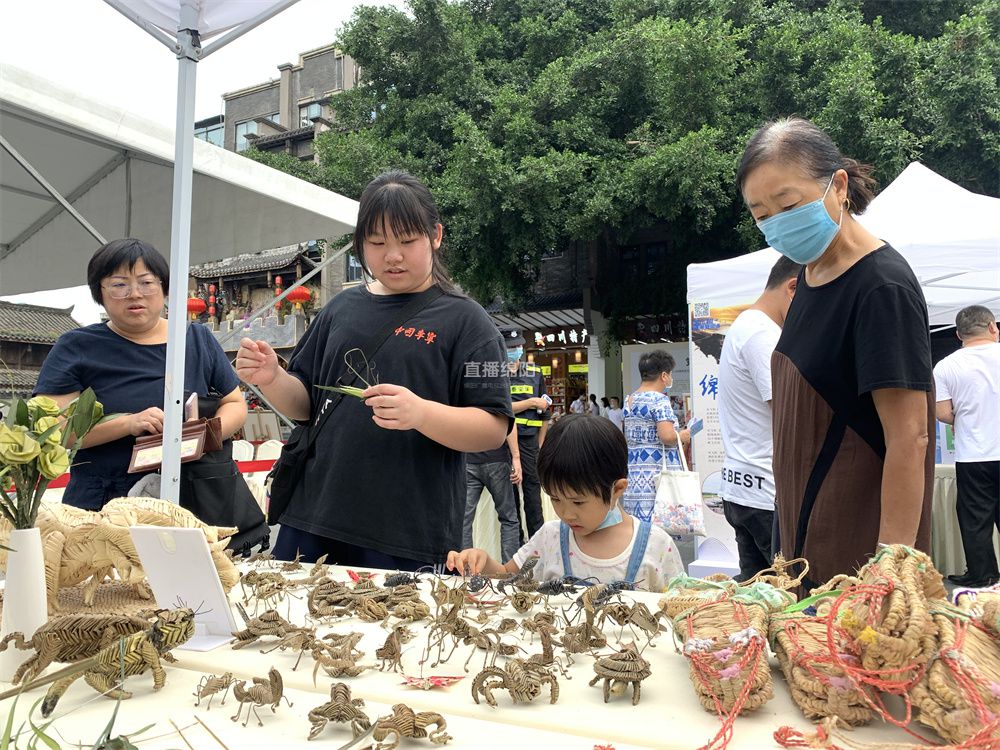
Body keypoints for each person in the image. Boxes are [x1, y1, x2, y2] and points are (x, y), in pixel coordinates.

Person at [236, 169, 513, 569]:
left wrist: (420, 413)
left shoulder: (468, 322)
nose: (393, 255)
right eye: (377, 242)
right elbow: (306, 406)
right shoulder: (340, 309)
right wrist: (273, 377)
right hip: (313, 516)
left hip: (408, 533)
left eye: (407, 240)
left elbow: (492, 428)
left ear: (435, 236)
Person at [738, 117, 935, 589]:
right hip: (803, 535)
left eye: (787, 204)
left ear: (839, 185)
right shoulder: (806, 278)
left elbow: (911, 439)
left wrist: (888, 570)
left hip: (857, 544)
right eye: (761, 215)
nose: (776, 224)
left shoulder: (880, 286)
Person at [34, 239, 248, 511]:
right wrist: (128, 423)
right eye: (119, 284)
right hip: (104, 501)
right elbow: (54, 428)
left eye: (147, 282)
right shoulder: (76, 347)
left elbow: (235, 403)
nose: (135, 294)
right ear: (99, 292)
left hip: (193, 494)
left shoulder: (195, 339)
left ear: (163, 288)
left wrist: (200, 438)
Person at [447, 414, 683, 588]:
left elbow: (678, 608)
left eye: (578, 502)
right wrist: (484, 562)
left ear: (617, 489)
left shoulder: (657, 546)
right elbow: (508, 577)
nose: (566, 514)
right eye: (555, 499)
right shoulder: (549, 538)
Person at [717, 256, 801, 581]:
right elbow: (787, 411)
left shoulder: (746, 326)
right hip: (765, 492)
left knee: (758, 596)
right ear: (793, 288)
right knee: (789, 594)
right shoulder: (761, 334)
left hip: (745, 486)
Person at [934, 306, 1000, 588]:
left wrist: (967, 418)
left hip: (973, 454)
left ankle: (983, 574)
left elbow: (942, 412)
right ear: (993, 327)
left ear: (959, 334)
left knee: (976, 519)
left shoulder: (946, 366)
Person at [462, 328, 524, 562]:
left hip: (469, 459)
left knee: (464, 519)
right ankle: (509, 569)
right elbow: (508, 422)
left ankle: (465, 570)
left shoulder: (465, 380)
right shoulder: (499, 382)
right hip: (496, 459)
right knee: (508, 517)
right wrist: (516, 458)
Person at [621, 350, 691, 521]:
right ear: (664, 375)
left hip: (635, 473)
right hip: (657, 475)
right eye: (671, 374)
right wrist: (683, 435)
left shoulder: (629, 400)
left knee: (638, 527)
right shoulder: (659, 400)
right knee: (657, 529)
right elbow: (667, 436)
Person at [501, 326, 551, 543]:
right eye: (512, 347)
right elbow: (503, 408)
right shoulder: (496, 373)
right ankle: (518, 542)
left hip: (530, 442)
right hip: (503, 442)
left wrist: (540, 445)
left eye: (519, 346)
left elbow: (545, 413)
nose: (516, 350)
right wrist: (530, 402)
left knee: (532, 490)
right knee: (510, 494)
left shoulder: (535, 372)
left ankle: (537, 541)